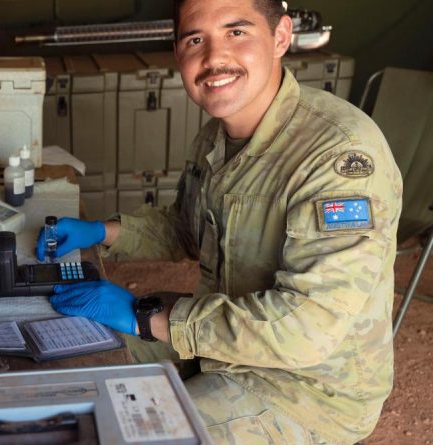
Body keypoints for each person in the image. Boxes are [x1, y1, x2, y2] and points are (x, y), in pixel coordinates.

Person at [36, 0, 402, 443]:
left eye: (237, 32)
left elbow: (307, 328)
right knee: (71, 349)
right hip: (220, 344)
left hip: (303, 390)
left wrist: (147, 316)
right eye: (195, 39)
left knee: (131, 432)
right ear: (178, 54)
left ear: (281, 36)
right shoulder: (217, 135)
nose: (213, 58)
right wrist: (101, 232)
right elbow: (187, 229)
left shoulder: (337, 155)